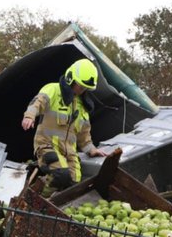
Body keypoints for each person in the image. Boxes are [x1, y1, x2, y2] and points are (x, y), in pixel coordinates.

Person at [20, 58, 107, 189]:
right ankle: (34, 196)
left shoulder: (82, 107)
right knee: (61, 174)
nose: (82, 90)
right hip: (47, 145)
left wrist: (92, 150)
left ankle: (56, 203)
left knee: (75, 181)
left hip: (69, 152)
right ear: (71, 78)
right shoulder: (53, 90)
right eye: (81, 86)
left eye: (86, 88)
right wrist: (29, 116)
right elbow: (38, 102)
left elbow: (84, 137)